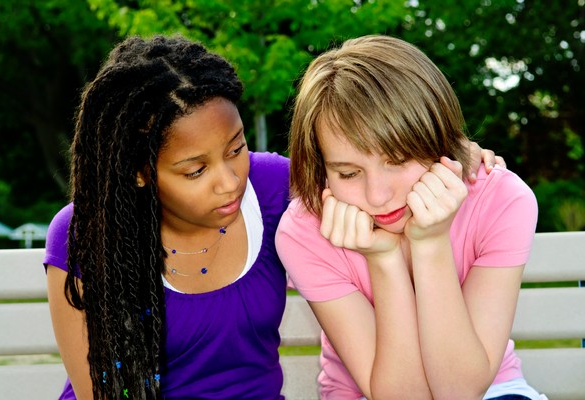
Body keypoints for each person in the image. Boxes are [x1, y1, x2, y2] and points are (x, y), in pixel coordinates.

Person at [44, 34, 503, 399]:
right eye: (196, 170)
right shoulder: (86, 234)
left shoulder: (274, 188)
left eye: (236, 147)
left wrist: (448, 150)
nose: (229, 181)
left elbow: (358, 161)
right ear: (140, 172)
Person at [276, 35, 543, 400]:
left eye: (398, 160)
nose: (378, 195)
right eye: (349, 173)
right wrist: (383, 259)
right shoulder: (306, 231)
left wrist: (431, 243)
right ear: (322, 169)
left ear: (437, 139)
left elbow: (461, 391)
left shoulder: (500, 200)